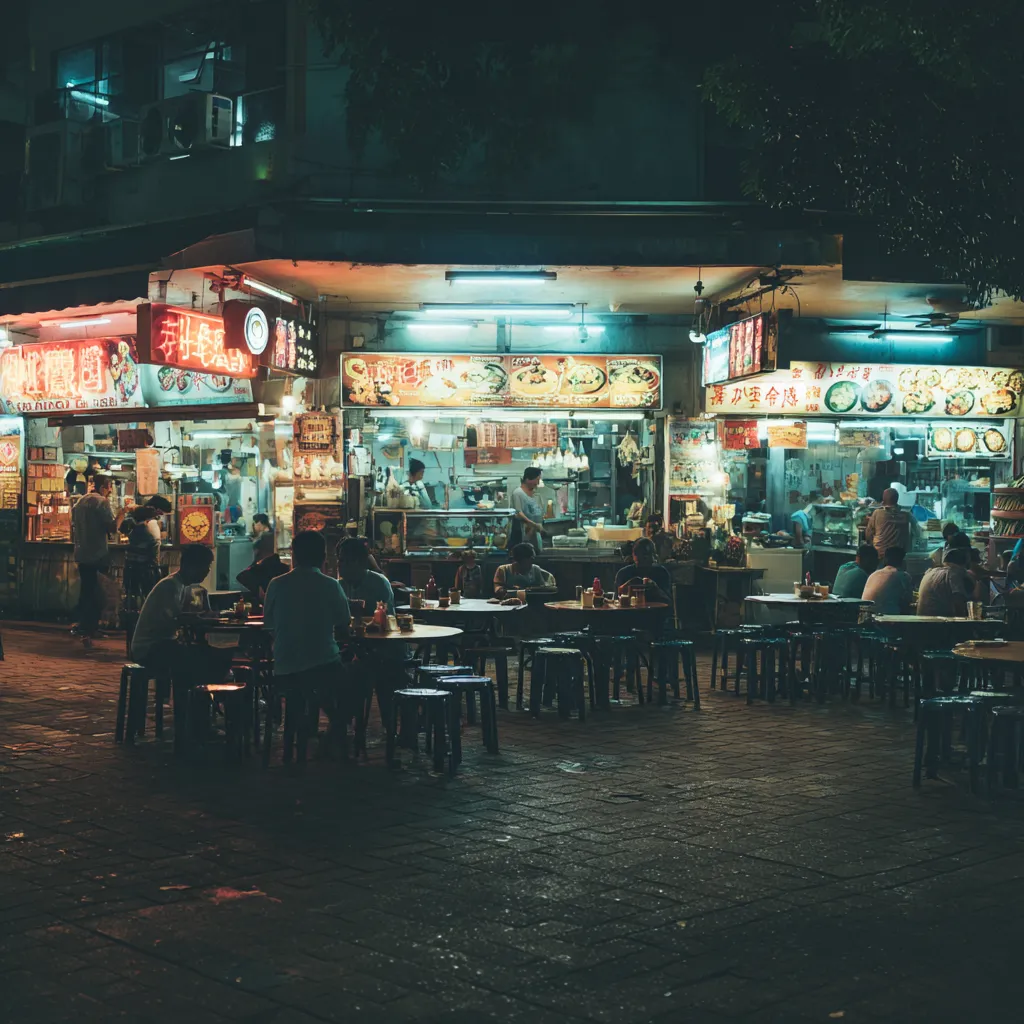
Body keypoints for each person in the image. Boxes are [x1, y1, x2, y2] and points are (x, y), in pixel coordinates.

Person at [264, 530, 353, 751]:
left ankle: (313, 734)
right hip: (322, 665)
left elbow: (269, 625)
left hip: (285, 667)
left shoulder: (276, 584)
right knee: (355, 687)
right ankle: (334, 734)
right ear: (324, 557)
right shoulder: (331, 585)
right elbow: (344, 623)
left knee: (312, 689)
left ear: (294, 555)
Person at [130, 544, 232, 690]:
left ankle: (193, 700)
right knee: (199, 658)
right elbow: (174, 620)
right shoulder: (170, 586)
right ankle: (191, 702)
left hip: (162, 645)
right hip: (149, 648)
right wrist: (200, 618)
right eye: (204, 566)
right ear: (189, 566)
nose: (207, 571)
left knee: (203, 654)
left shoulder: (181, 585)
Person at [72, 474, 125, 648]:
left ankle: (84, 625)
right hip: (97, 553)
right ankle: (90, 628)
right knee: (97, 592)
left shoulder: (80, 501)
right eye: (110, 487)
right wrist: (123, 514)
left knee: (87, 590)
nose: (110, 491)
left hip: (81, 553)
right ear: (105, 486)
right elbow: (112, 528)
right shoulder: (102, 502)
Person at [235, 533, 289, 608]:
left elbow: (240, 577)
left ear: (259, 550)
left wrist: (254, 562)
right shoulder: (285, 568)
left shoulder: (257, 570)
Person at [614, 537, 672, 605]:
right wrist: (627, 586)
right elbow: (616, 601)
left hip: (656, 613)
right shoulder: (624, 573)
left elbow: (669, 601)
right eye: (638, 553)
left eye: (647, 554)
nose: (643, 557)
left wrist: (655, 588)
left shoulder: (661, 572)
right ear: (633, 555)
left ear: (653, 556)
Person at [916, 546, 971, 617]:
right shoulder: (954, 573)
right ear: (962, 565)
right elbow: (958, 601)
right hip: (938, 623)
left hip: (921, 621)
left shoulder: (930, 572)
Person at [864, 488, 917, 559]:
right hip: (899, 555)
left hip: (880, 553)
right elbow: (917, 532)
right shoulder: (906, 515)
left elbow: (868, 534)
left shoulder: (877, 513)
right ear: (897, 500)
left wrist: (871, 547)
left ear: (883, 500)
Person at [861, 545, 913, 615]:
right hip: (885, 621)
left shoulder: (874, 574)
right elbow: (908, 602)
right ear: (903, 561)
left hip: (864, 618)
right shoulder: (903, 576)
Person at [509, 467, 548, 550]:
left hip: (535, 532)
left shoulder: (536, 494)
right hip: (523, 533)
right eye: (537, 480)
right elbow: (519, 513)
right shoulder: (518, 493)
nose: (537, 483)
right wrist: (534, 524)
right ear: (528, 479)